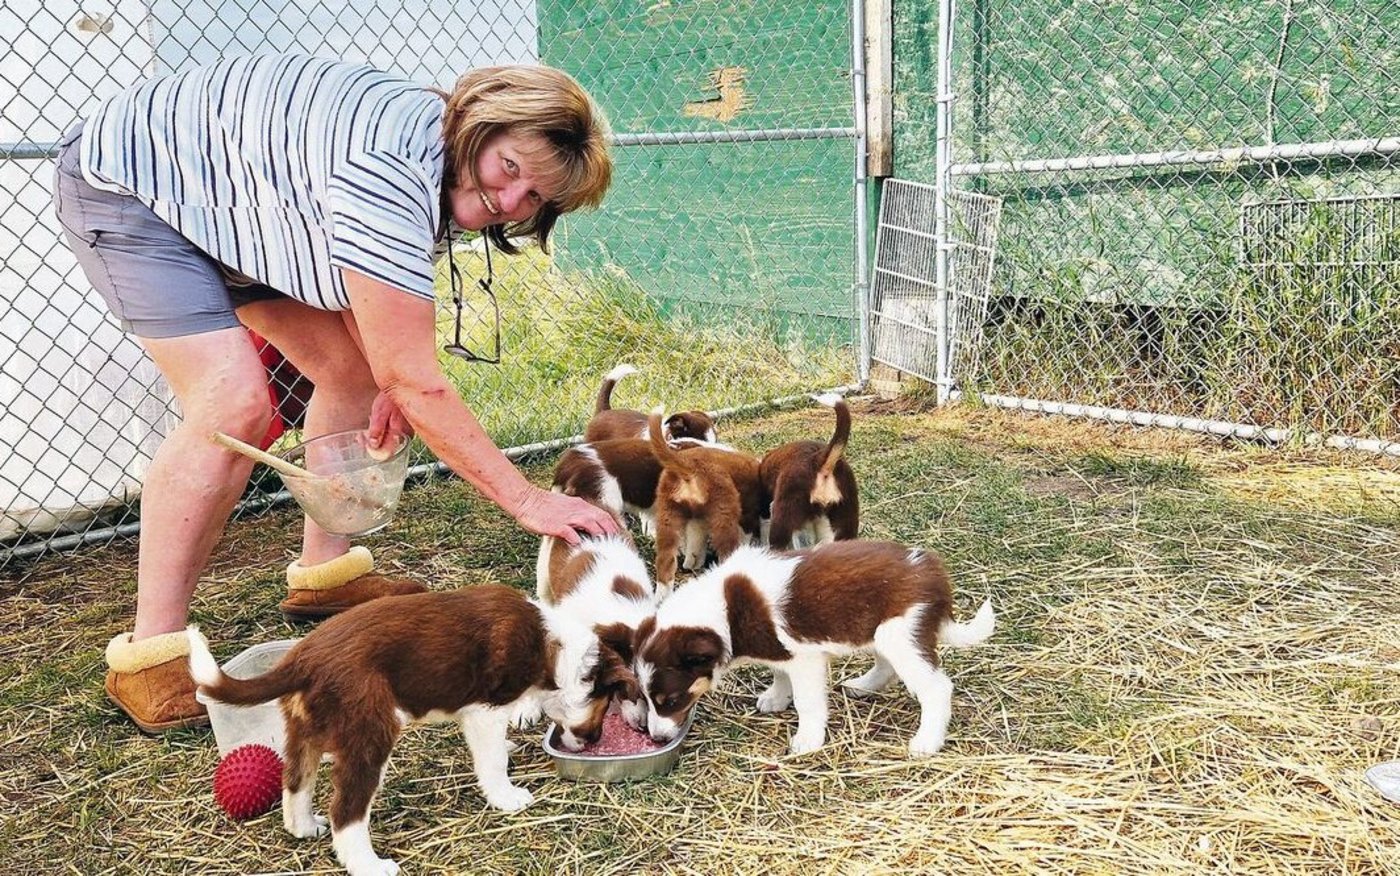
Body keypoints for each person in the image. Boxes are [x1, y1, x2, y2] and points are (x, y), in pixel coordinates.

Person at [51, 53, 622, 733]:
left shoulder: (439, 161)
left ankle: (325, 577)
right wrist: (525, 498)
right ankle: (149, 656)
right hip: (135, 187)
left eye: (535, 199)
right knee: (234, 403)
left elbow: (383, 334)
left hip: (239, 205)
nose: (508, 203)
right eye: (509, 170)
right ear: (479, 124)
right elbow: (416, 378)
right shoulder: (389, 171)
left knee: (351, 372)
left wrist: (387, 375)